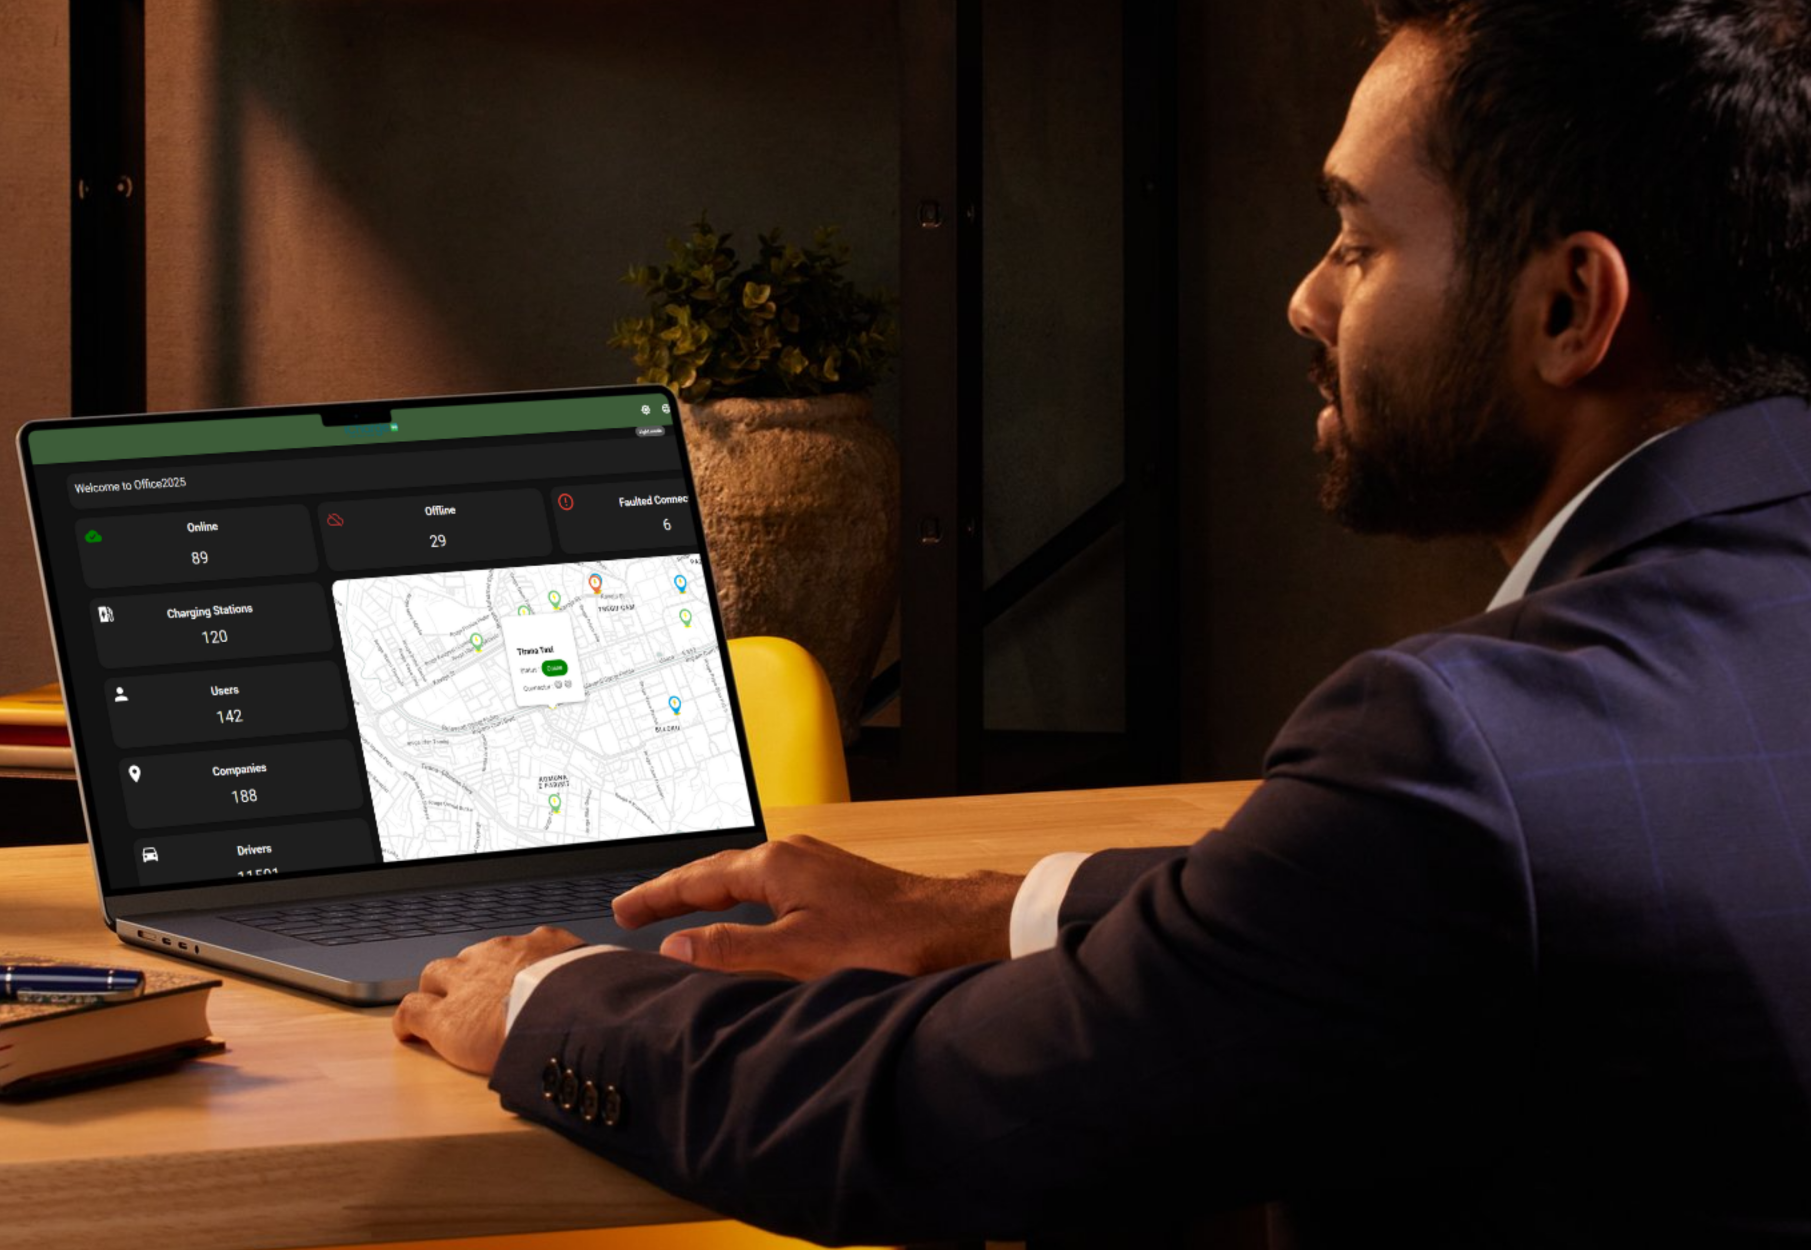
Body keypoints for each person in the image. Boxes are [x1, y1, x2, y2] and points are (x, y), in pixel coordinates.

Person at [394, 0, 1811, 1243]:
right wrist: (972, 910)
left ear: (1569, 305)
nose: (1303, 298)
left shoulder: (1457, 749)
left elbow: (947, 1118)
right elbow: (1447, 898)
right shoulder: (1563, 760)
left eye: (1357, 243)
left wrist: (556, 1003)